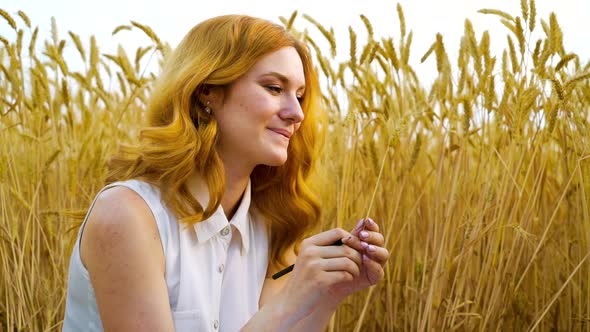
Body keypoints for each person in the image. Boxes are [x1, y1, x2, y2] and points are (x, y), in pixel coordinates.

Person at [62, 14, 390, 332]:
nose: (297, 113)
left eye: (300, 96)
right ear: (208, 91)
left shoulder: (267, 224)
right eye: (275, 88)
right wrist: (290, 300)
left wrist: (326, 295)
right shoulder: (129, 215)